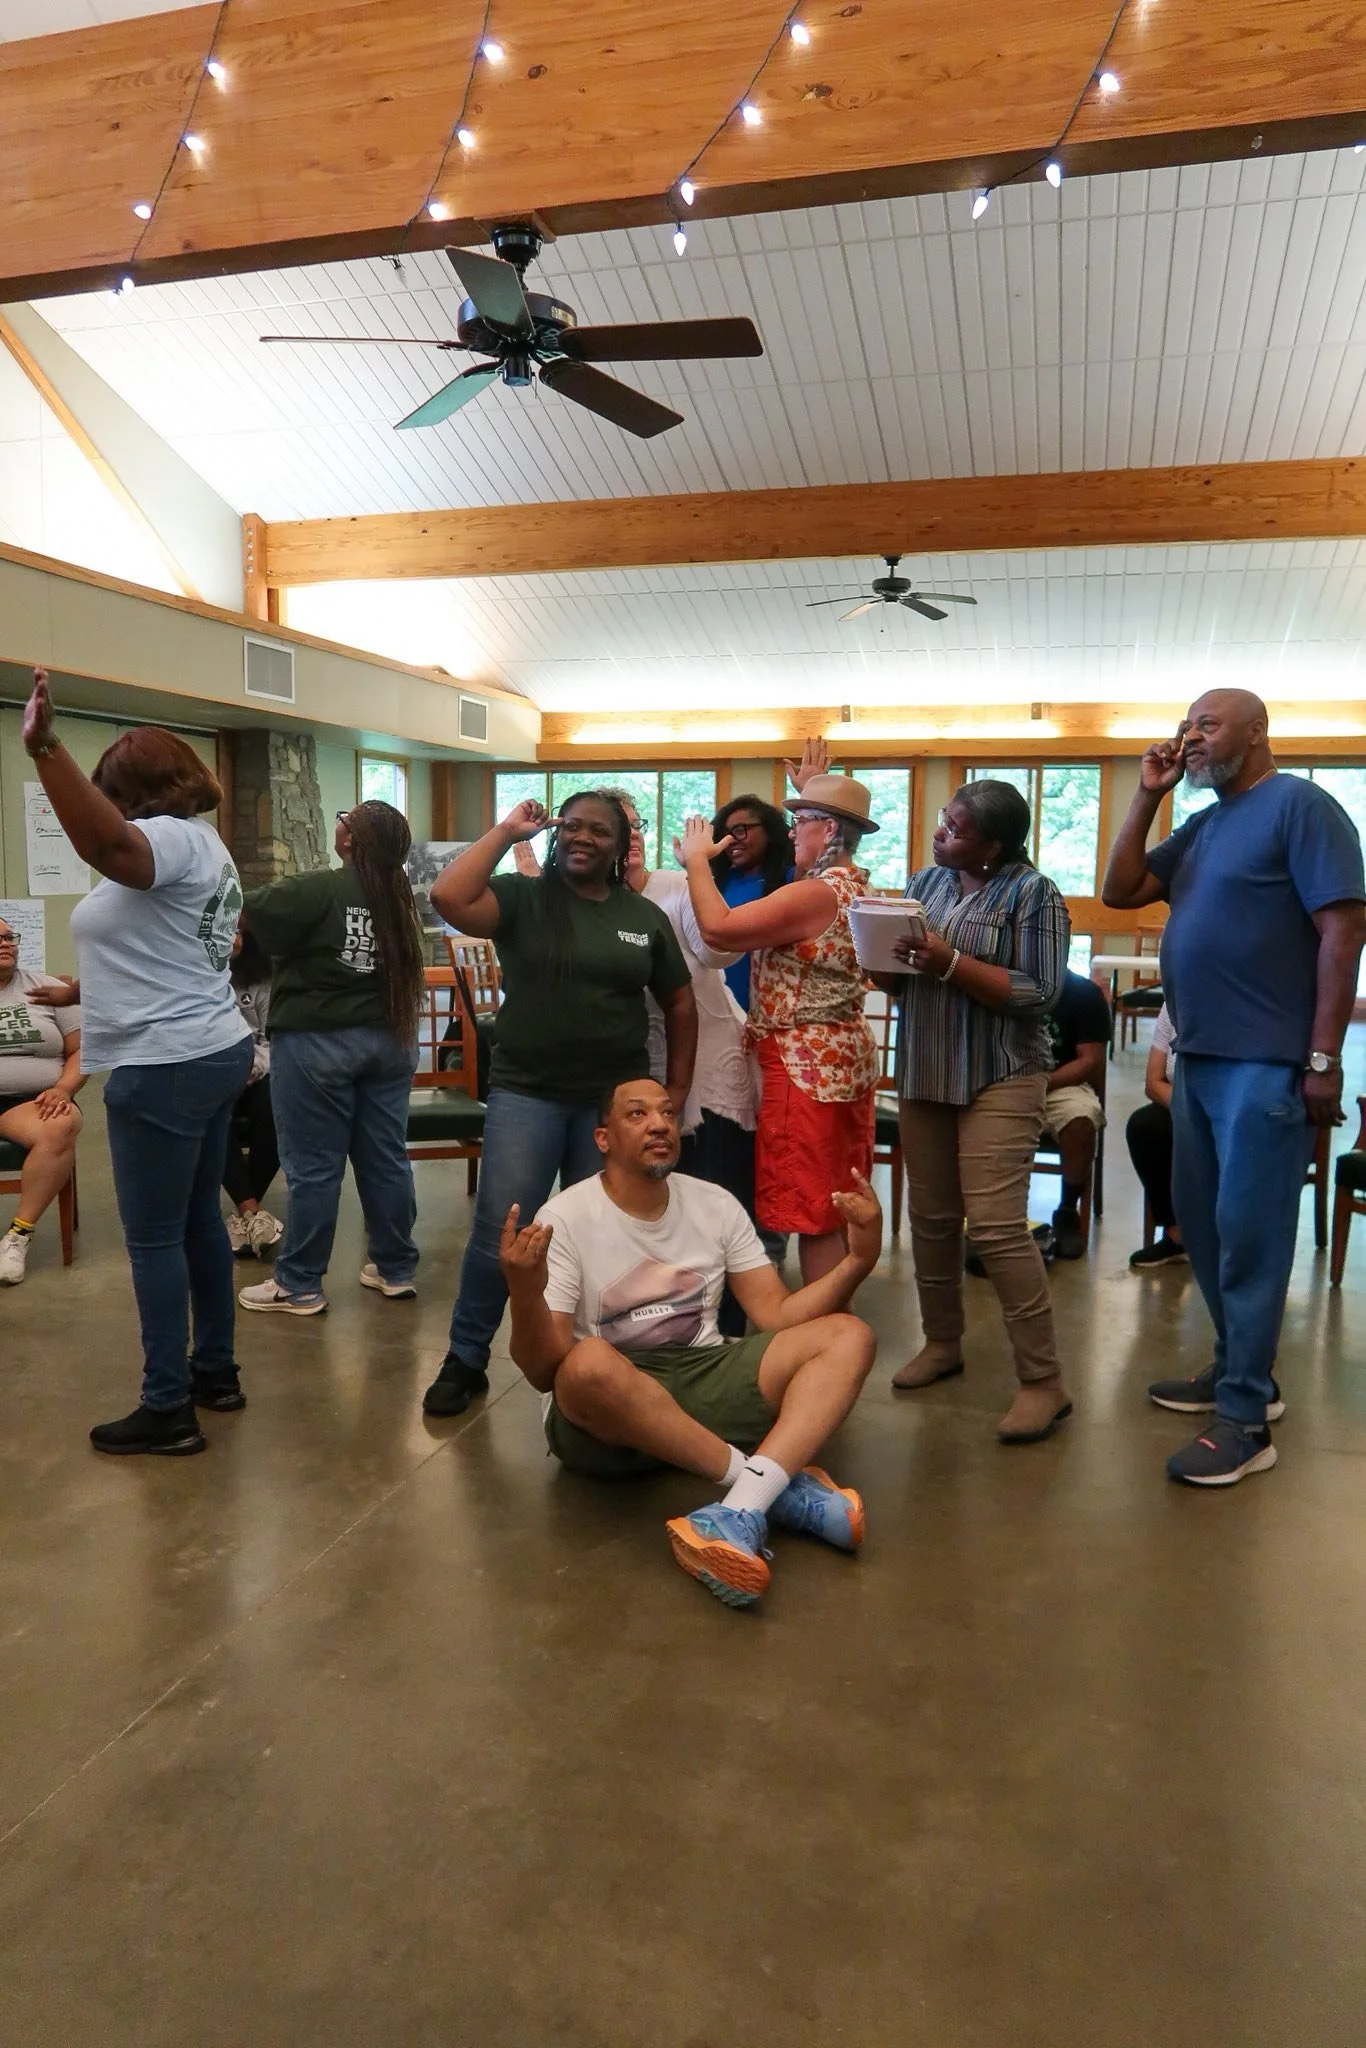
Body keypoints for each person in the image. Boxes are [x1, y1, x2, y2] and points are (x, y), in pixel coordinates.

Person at [1103, 689, 1365, 1486]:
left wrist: (1322, 1058)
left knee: (1251, 1237)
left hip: (1267, 1062)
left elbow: (1343, 929)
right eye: (1187, 727)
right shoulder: (1207, 822)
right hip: (1201, 1059)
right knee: (1207, 1230)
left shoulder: (1302, 808)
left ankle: (1246, 1420)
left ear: (1257, 733)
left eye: (1207, 726)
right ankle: (1238, 1369)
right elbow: (1120, 890)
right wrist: (1146, 793)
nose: (1191, 740)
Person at [500, 1074, 880, 1610]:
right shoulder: (565, 1217)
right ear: (603, 1138)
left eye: (667, 1113)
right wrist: (523, 1292)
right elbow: (547, 1374)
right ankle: (768, 1486)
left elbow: (775, 1314)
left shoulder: (715, 1204)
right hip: (610, 1414)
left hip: (702, 1375)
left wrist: (858, 1261)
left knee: (850, 1334)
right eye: (637, 1114)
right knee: (586, 1366)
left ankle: (739, 1507)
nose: (659, 1123)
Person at [23, 667, 253, 1454]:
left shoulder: (164, 838)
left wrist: (45, 747)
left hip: (166, 1067)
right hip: (212, 1048)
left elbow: (103, 841)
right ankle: (213, 1372)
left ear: (136, 792)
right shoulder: (209, 848)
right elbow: (177, 951)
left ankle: (167, 1408)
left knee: (153, 1238)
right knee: (194, 1222)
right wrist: (82, 989)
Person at [421, 790, 697, 1417]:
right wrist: (508, 830)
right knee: (505, 1225)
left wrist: (673, 1092)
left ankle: (599, 1360)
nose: (582, 837)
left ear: (620, 843)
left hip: (611, 1106)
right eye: (571, 826)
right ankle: (465, 1357)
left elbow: (679, 1002)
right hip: (528, 1092)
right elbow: (449, 897)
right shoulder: (524, 898)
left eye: (598, 830)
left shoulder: (642, 917)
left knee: (604, 1230)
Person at [886, 780, 1073, 1444]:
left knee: (994, 1228)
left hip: (1001, 1070)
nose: (942, 834)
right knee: (931, 1221)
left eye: (957, 829)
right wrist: (884, 956)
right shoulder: (928, 883)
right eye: (943, 822)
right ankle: (943, 1344)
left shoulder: (1033, 893)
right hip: (927, 1068)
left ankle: (1043, 1383)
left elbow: (1039, 990)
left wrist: (950, 961)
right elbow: (904, 973)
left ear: (994, 845)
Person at [682, 773, 880, 1284]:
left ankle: (821, 1334)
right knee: (835, 1199)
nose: (793, 833)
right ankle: (831, 1323)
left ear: (829, 829)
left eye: (802, 822)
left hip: (805, 1070)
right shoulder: (857, 885)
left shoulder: (818, 893)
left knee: (813, 1208)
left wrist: (699, 862)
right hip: (841, 1060)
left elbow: (719, 929)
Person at [237, 801, 425, 1315]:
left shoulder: (317, 888)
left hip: (318, 1041)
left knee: (315, 1167)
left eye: (347, 818)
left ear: (350, 841)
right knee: (385, 1158)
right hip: (390, 1041)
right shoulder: (400, 898)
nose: (339, 822)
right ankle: (395, 1267)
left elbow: (242, 908)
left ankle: (299, 1283)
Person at [0, 916, 84, 1285]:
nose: (5, 943)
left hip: (32, 1102)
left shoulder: (48, 989)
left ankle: (18, 1236)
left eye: (8, 937)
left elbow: (82, 1051)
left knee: (60, 1124)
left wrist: (63, 1089)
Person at [1040, 967, 1111, 1259]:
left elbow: (1089, 1061)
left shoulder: (1084, 993)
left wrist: (1041, 1083)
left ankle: (1068, 1210)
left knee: (1081, 1119)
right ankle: (991, 1216)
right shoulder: (1001, 979)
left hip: (1062, 1084)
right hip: (1006, 1082)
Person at [221, 926, 283, 1257]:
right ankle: (252, 1216)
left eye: (241, 933)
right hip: (214, 1071)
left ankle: (247, 1214)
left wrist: (252, 1067)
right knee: (215, 1119)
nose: (233, 940)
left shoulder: (264, 979)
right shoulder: (199, 976)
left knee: (276, 1113)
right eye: (226, 932)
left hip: (257, 1070)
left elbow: (272, 1038)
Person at [1125, 1004, 1186, 1270]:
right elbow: (1153, 1082)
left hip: (1228, 1103)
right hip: (1180, 1100)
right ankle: (1176, 1235)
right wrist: (1190, 1111)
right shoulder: (1172, 1004)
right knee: (1144, 1126)